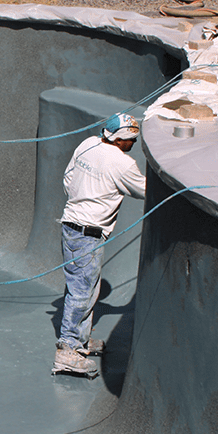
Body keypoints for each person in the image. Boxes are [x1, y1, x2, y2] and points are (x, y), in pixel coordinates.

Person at [53, 113, 145, 378]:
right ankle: (68, 351)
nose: (134, 144)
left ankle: (79, 341)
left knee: (85, 287)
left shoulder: (88, 143)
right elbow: (145, 190)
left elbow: (68, 178)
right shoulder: (122, 163)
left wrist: (84, 200)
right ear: (121, 140)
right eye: (132, 140)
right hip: (88, 234)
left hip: (71, 225)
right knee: (82, 292)